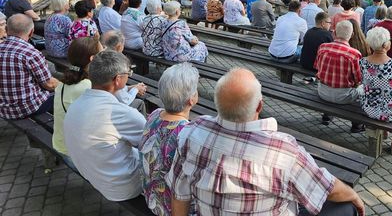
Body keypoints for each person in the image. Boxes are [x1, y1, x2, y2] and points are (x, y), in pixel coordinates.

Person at [165, 68, 365, 216]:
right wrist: (353, 195)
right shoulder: (284, 150)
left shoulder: (191, 134)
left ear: (216, 104)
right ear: (259, 105)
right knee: (345, 207)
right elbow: (327, 187)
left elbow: (179, 193)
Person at [64, 50, 146, 201]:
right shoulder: (123, 114)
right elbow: (152, 146)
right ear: (118, 79)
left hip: (93, 174)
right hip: (123, 187)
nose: (129, 76)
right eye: (129, 72)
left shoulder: (76, 105)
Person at [140, 63, 199, 216]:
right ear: (191, 100)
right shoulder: (188, 133)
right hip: (170, 208)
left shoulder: (155, 114)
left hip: (152, 198)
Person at [53, 37, 103, 168]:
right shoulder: (87, 86)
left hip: (60, 144)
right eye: (102, 53)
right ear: (93, 59)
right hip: (75, 154)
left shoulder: (63, 82)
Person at [0, 14, 59, 119]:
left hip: (3, 109)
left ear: (6, 29)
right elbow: (49, 84)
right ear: (31, 32)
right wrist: (65, 85)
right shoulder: (31, 53)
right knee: (64, 94)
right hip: (27, 108)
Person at [360, 27, 392, 153]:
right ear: (385, 44)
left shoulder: (362, 62)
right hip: (390, 109)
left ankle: (386, 133)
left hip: (369, 107)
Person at [315, 21, 364, 133]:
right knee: (364, 88)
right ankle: (357, 124)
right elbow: (358, 80)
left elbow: (317, 68)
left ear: (335, 33)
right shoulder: (354, 54)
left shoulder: (323, 48)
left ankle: (327, 116)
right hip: (344, 97)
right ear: (351, 35)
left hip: (323, 92)